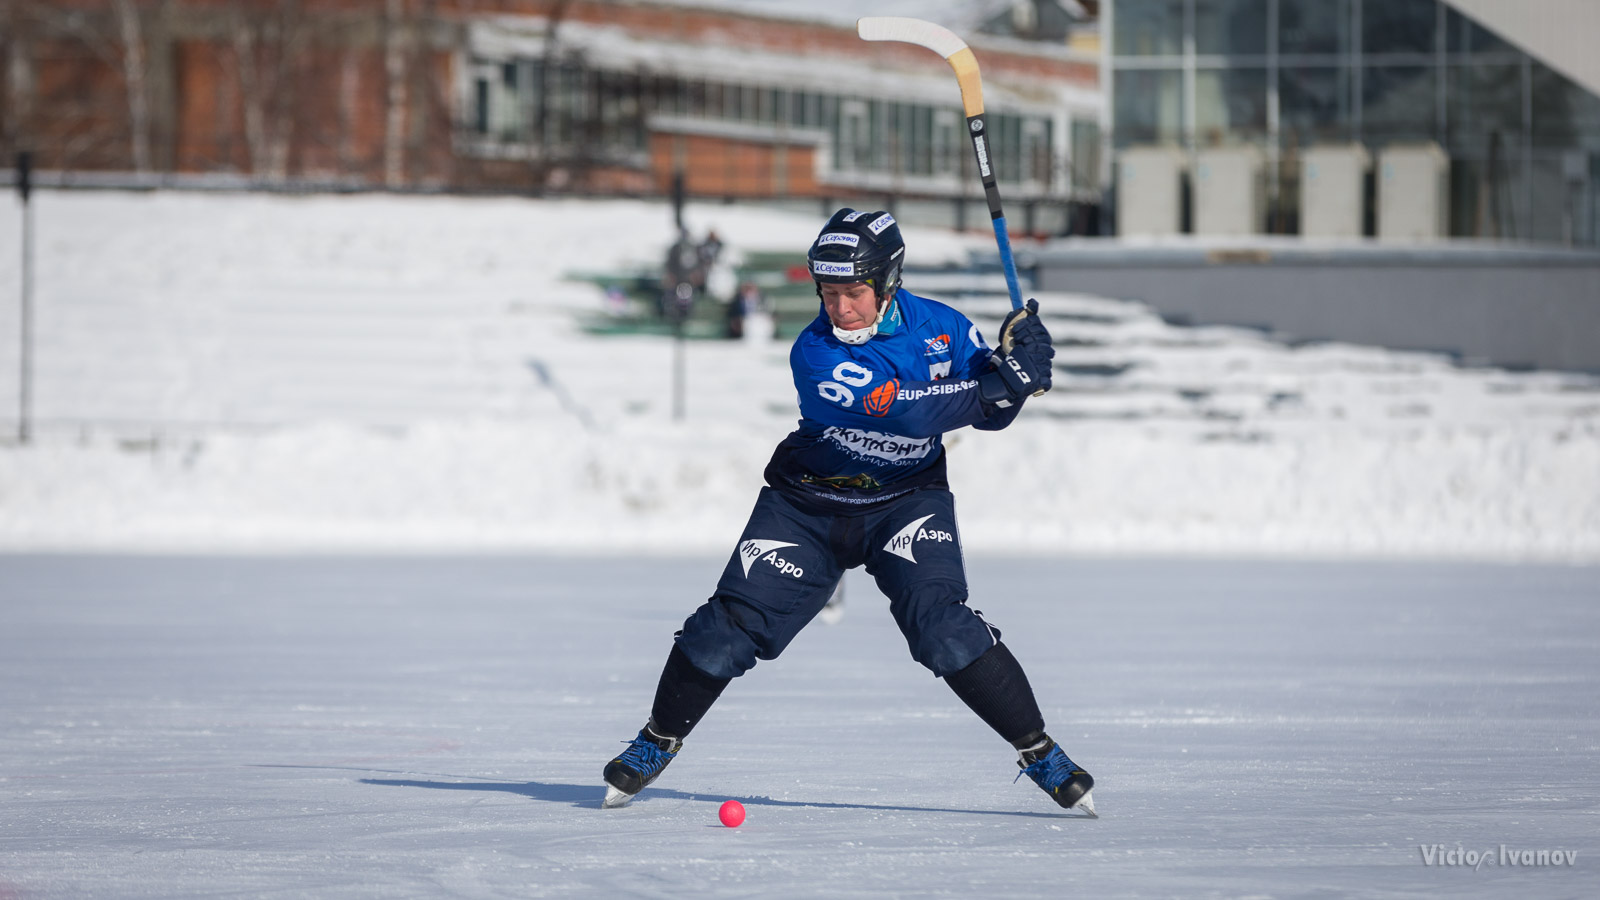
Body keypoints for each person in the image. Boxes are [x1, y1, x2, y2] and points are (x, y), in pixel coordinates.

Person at [602, 208, 1094, 816]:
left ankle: (1040, 751)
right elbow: (906, 411)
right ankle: (658, 739)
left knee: (943, 626)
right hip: (807, 504)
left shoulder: (943, 328)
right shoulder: (814, 351)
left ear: (889, 281)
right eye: (828, 294)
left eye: (853, 293)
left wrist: (1021, 371)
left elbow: (989, 411)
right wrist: (1003, 381)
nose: (840, 310)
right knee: (727, 629)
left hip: (906, 502)